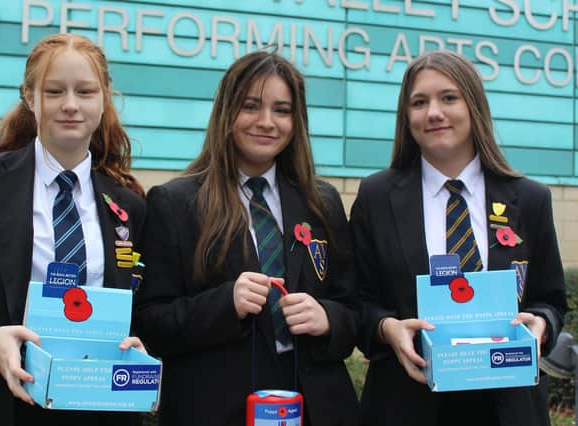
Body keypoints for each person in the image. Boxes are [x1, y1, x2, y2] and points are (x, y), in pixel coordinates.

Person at [133, 50, 359, 426]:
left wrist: (329, 318)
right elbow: (150, 323)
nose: (267, 122)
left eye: (282, 110)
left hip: (315, 409)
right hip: (215, 409)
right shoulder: (175, 203)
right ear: (226, 112)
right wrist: (224, 304)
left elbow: (354, 309)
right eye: (251, 106)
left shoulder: (322, 202)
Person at [0, 33, 147, 426]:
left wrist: (135, 345)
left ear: (104, 100)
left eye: (85, 91)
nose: (70, 105)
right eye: (54, 91)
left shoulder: (127, 206)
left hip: (94, 406)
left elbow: (143, 307)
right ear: (30, 98)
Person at [350, 50, 568, 426]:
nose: (433, 112)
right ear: (407, 116)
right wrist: (388, 329)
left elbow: (550, 300)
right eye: (419, 102)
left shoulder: (530, 199)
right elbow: (356, 299)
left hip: (508, 406)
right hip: (405, 403)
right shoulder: (375, 197)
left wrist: (541, 324)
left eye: (448, 98)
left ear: (474, 106)